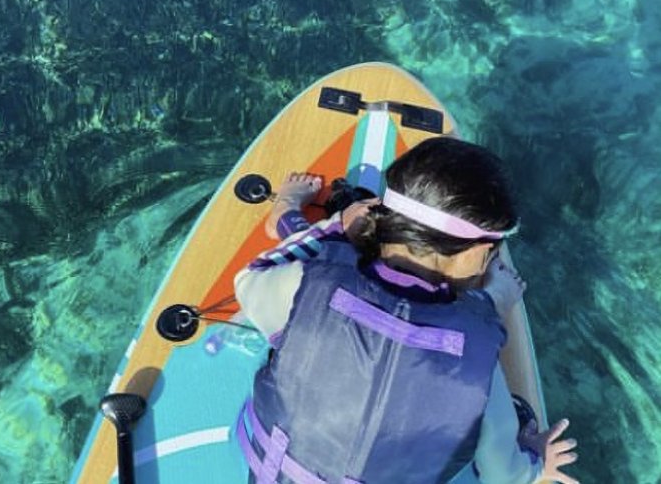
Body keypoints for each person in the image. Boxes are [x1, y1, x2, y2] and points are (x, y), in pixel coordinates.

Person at [234, 136, 579, 484]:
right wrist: (536, 464)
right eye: (493, 253)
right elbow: (502, 475)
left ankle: (287, 215)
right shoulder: (481, 366)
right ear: (477, 252)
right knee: (514, 417)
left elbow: (249, 280)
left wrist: (337, 226)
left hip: (270, 475)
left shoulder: (304, 284)